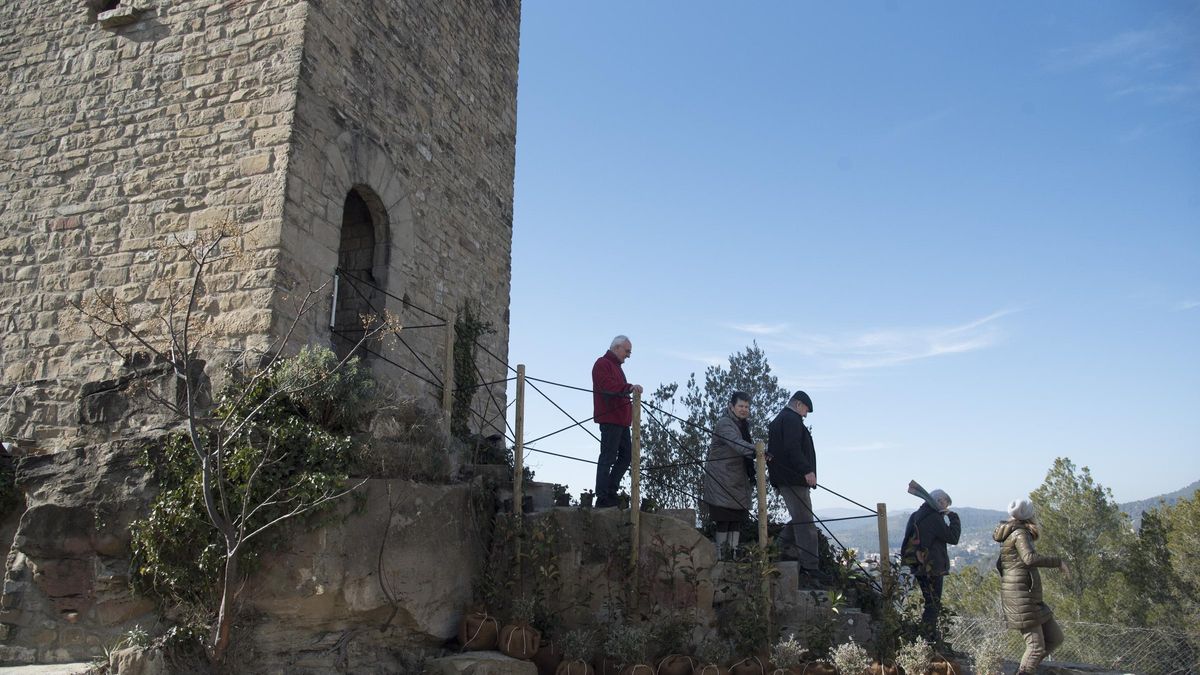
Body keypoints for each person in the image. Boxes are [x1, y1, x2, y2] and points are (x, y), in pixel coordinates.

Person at [994, 498, 1070, 675]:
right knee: (1035, 647)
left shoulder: (1011, 532)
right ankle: (1025, 671)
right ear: (1029, 515)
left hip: (1028, 595)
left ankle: (1028, 668)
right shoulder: (1020, 533)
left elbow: (1001, 565)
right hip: (1021, 596)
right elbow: (1029, 558)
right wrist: (1058, 562)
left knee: (1055, 638)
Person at [767, 390, 821, 577]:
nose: (805, 414)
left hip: (786, 479)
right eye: (806, 410)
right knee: (805, 523)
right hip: (793, 479)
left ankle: (773, 551)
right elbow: (792, 448)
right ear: (798, 405)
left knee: (800, 518)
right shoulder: (791, 420)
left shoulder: (779, 420)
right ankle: (810, 567)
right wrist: (807, 470)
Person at [702, 391, 758, 561]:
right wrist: (757, 451)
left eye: (747, 407)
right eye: (741, 406)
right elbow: (736, 443)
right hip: (722, 480)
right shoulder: (725, 424)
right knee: (723, 520)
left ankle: (732, 554)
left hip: (736, 481)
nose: (744, 409)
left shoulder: (742, 425)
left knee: (736, 520)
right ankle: (720, 556)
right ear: (731, 407)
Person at [900, 488, 961, 641]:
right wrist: (954, 517)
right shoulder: (934, 517)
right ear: (940, 501)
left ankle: (925, 637)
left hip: (918, 566)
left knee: (929, 602)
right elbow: (953, 538)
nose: (947, 507)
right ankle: (927, 638)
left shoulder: (916, 516)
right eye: (946, 503)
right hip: (932, 567)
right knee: (933, 604)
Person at [591, 335, 643, 508]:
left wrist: (627, 388)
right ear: (617, 347)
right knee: (608, 456)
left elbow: (615, 387)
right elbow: (608, 387)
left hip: (621, 420)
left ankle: (610, 491)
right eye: (627, 351)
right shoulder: (602, 364)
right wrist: (628, 387)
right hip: (610, 418)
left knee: (626, 456)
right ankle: (603, 496)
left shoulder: (616, 367)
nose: (628, 355)